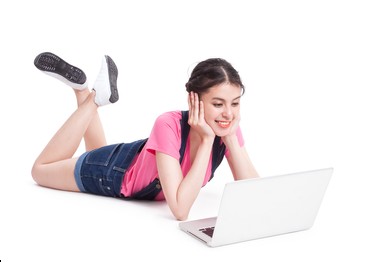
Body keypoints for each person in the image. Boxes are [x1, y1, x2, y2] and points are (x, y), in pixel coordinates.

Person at [31, 52, 259, 220]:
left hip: (123, 162)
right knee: (41, 170)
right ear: (194, 100)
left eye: (235, 103)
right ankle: (92, 98)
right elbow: (180, 209)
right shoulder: (169, 124)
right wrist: (208, 141)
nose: (228, 113)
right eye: (218, 104)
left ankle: (82, 89)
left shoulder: (225, 127)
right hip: (112, 175)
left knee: (93, 154)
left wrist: (229, 139)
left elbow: (256, 193)